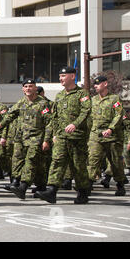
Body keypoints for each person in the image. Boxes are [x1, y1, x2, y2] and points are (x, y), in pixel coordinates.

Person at [36, 67, 92, 204]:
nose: (60, 78)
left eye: (63, 76)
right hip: (61, 136)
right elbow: (54, 116)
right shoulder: (59, 95)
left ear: (72, 76)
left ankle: (83, 192)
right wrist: (55, 134)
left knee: (78, 166)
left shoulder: (82, 94)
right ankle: (51, 191)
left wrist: (75, 124)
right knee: (57, 162)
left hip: (77, 137)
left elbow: (86, 111)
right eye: (60, 76)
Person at [0, 79, 52, 200]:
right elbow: (10, 115)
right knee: (18, 160)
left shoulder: (43, 103)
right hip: (20, 138)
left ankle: (23, 187)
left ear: (35, 88)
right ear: (23, 89)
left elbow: (49, 123)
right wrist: (0, 125)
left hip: (36, 138)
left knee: (31, 161)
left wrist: (47, 140)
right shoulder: (21, 102)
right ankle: (37, 185)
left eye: (31, 86)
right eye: (26, 86)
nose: (28, 88)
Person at [87, 76, 127, 197]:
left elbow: (119, 114)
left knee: (115, 162)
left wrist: (111, 128)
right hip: (96, 135)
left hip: (112, 136)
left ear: (105, 84)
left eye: (97, 84)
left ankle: (120, 184)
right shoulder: (93, 100)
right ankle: (87, 186)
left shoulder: (114, 99)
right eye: (94, 84)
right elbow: (89, 117)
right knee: (93, 159)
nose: (95, 86)